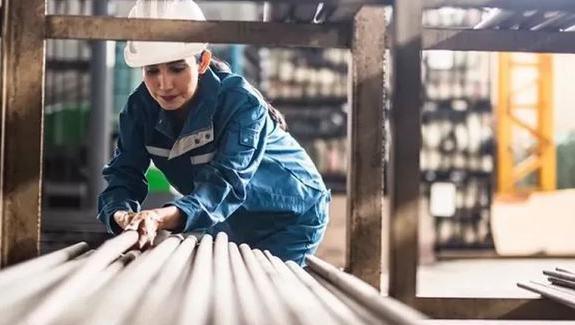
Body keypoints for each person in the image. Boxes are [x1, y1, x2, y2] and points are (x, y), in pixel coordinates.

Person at [97, 0, 330, 265]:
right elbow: (123, 175)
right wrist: (121, 215)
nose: (164, 84)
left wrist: (159, 217)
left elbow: (225, 183)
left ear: (203, 62)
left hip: (290, 216)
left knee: (262, 295)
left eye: (176, 68)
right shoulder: (139, 110)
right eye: (152, 71)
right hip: (228, 217)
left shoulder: (241, 103)